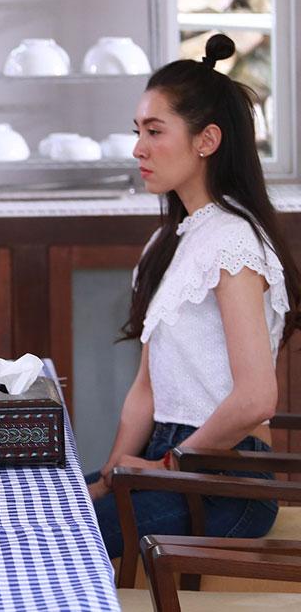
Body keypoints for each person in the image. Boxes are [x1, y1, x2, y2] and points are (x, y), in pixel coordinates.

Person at [88, 34, 299, 558]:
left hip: (227, 480)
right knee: (39, 503)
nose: (138, 148)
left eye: (155, 131)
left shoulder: (233, 240)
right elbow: (146, 389)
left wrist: (167, 466)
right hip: (173, 457)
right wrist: (113, 475)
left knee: (58, 536)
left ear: (206, 140)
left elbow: (256, 398)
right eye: (137, 131)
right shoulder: (167, 243)